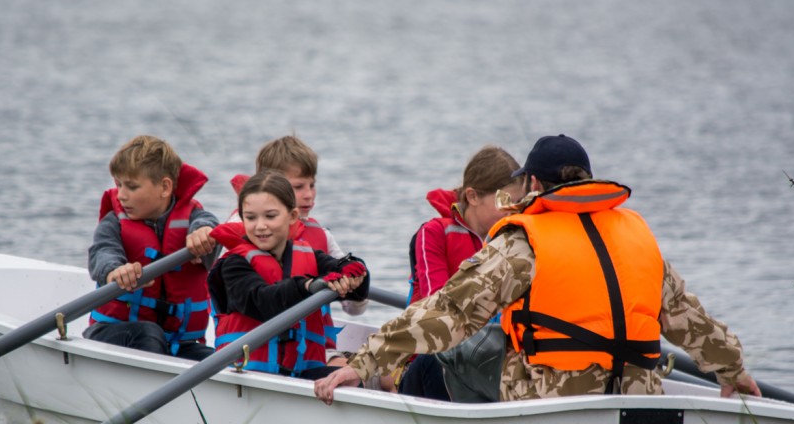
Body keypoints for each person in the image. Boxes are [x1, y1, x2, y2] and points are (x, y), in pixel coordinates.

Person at [315, 134, 762, 404]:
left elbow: (449, 312)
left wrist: (365, 361)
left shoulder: (524, 242)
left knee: (446, 354)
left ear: (532, 184)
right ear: (589, 179)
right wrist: (732, 368)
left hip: (554, 398)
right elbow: (688, 318)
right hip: (638, 392)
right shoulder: (637, 236)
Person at [208, 171, 369, 380]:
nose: (260, 225)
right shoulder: (233, 264)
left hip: (302, 372)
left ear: (292, 216)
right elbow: (263, 301)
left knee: (353, 380)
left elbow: (356, 293)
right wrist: (308, 286)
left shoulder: (309, 256)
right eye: (250, 217)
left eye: (270, 216)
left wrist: (354, 271)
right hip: (247, 375)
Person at [399, 145, 523, 400]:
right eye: (505, 202)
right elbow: (438, 309)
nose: (514, 211)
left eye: (518, 203)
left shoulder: (514, 240)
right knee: (439, 359)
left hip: (484, 360)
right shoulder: (433, 233)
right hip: (428, 360)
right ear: (473, 196)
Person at [85, 135, 220, 361]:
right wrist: (115, 270)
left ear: (165, 187)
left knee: (217, 360)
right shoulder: (114, 222)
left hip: (178, 343)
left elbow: (208, 223)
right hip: (115, 334)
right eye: (118, 185)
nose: (121, 195)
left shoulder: (193, 217)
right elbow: (102, 252)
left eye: (132, 186)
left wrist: (204, 233)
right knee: (149, 334)